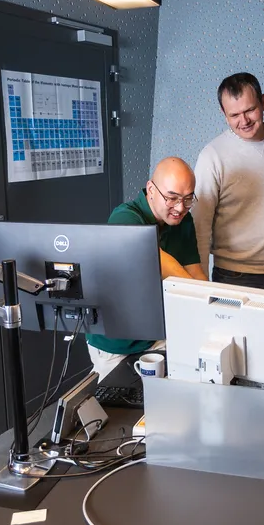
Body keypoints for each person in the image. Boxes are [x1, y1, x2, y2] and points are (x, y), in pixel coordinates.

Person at [86, 156, 205, 380]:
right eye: (172, 198)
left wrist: (215, 311)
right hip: (116, 343)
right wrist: (204, 302)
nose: (180, 207)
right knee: (117, 399)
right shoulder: (125, 217)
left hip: (156, 335)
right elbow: (165, 266)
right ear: (151, 189)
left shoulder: (182, 220)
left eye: (188, 199)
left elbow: (195, 273)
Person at [194, 72, 264, 290]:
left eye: (250, 110)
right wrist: (201, 286)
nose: (243, 121)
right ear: (224, 114)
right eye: (234, 115)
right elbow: (199, 226)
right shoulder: (212, 156)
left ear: (263, 102)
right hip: (233, 277)